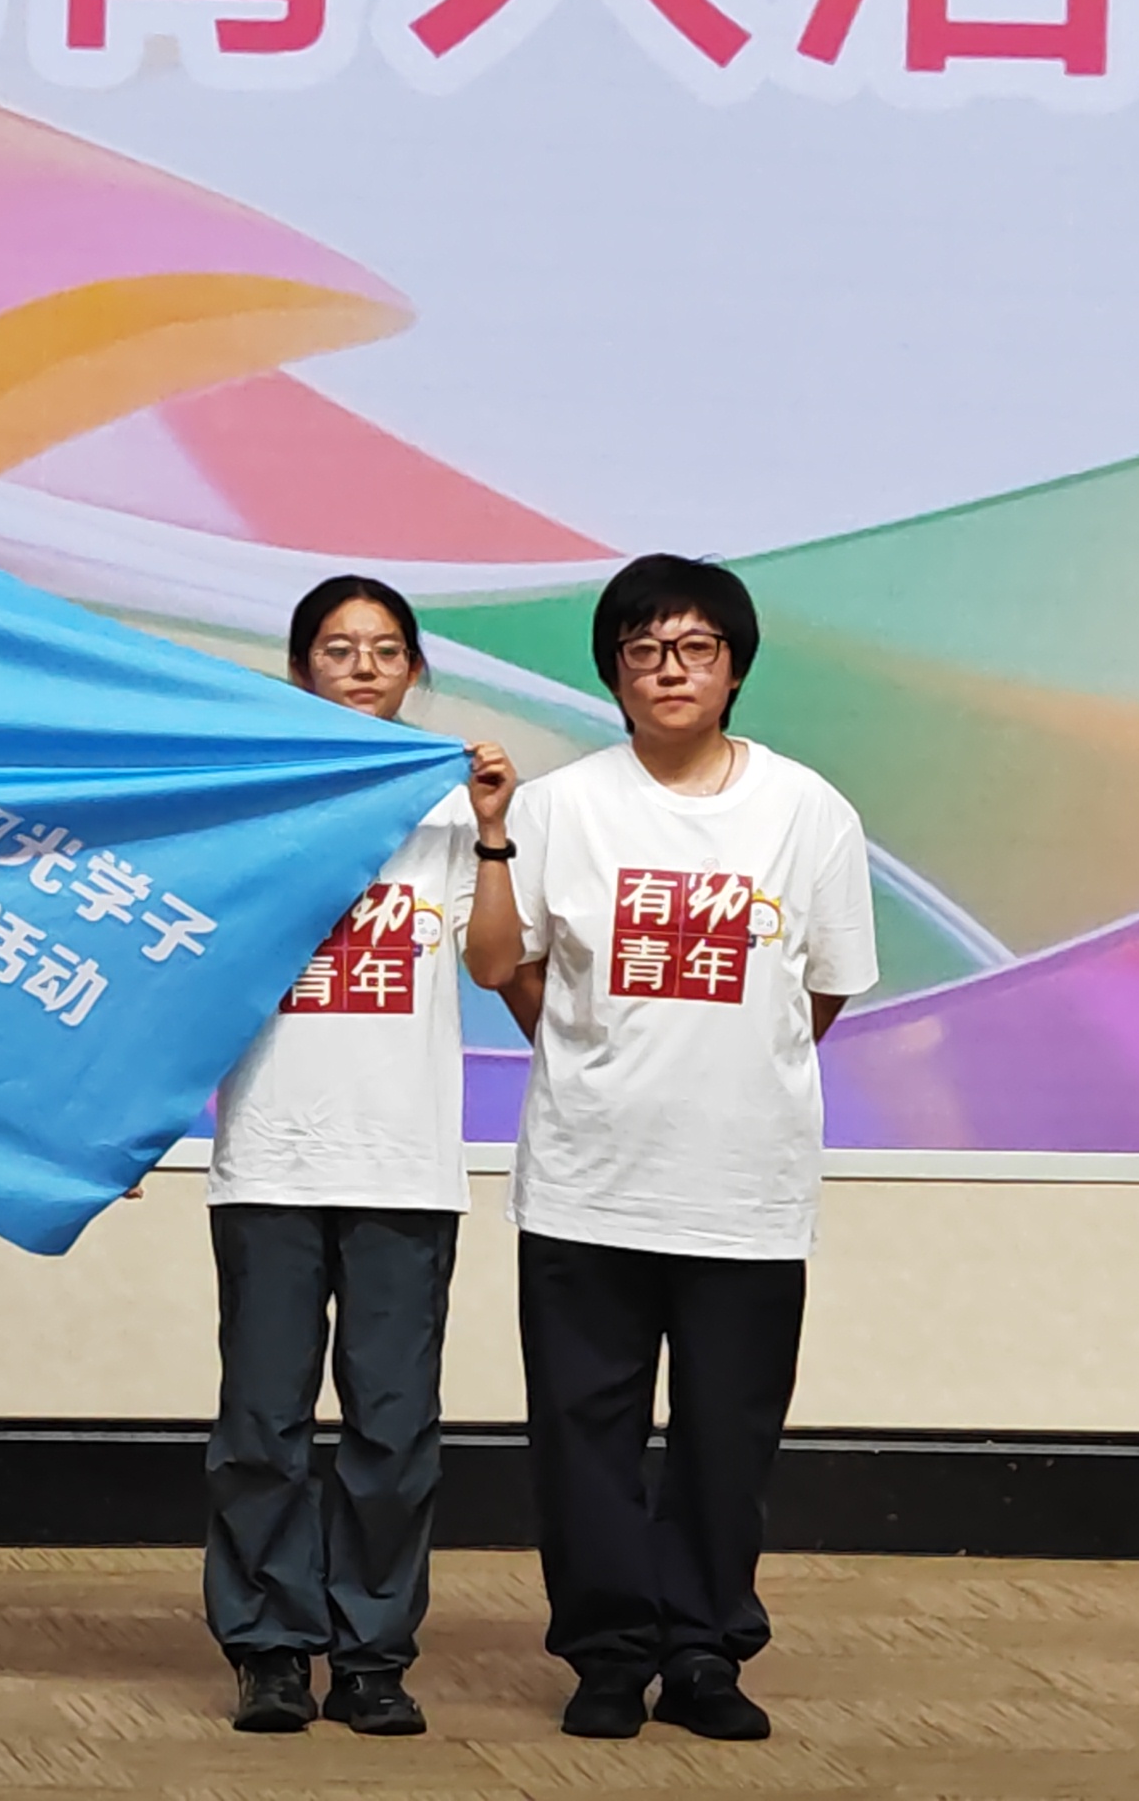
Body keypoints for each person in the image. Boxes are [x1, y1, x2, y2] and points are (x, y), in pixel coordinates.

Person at [464, 554, 876, 1745]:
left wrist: (730, 1069)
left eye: (696, 648)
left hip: (744, 1184)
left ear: (735, 668)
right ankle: (606, 1654)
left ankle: (703, 1651)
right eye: (643, 651)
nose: (670, 670)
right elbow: (514, 966)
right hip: (586, 1179)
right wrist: (593, 1053)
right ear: (614, 673)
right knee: (582, 1436)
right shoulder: (559, 808)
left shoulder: (806, 809)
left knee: (724, 1437)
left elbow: (823, 988)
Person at [206, 575, 521, 1739]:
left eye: (386, 650)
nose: (363, 668)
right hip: (271, 1160)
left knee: (394, 1431)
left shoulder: (450, 808)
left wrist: (494, 832)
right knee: (263, 1425)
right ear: (302, 670)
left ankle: (374, 1656)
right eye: (338, 649)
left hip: (404, 1164)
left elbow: (495, 964)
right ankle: (271, 1649)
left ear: (415, 671)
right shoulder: (257, 801)